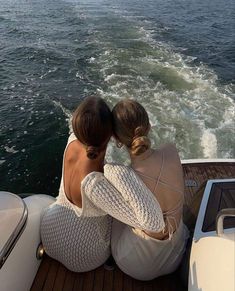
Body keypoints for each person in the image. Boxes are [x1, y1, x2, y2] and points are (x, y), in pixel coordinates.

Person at [40, 96, 164, 272]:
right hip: (82, 257)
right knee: (123, 218)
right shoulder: (96, 185)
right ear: (112, 136)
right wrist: (124, 173)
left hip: (49, 232)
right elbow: (154, 223)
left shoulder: (72, 141)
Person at [108, 99, 189, 280]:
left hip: (137, 266)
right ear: (149, 126)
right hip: (176, 254)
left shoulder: (125, 178)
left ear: (116, 139)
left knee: (112, 215)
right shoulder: (171, 150)